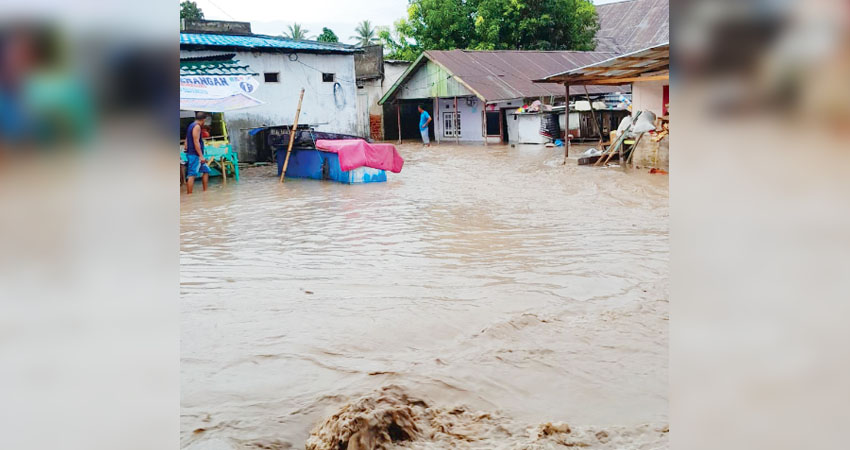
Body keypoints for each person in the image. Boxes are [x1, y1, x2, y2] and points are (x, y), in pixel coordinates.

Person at [185, 111, 210, 194]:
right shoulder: (197, 127)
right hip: (195, 154)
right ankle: (189, 195)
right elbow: (196, 142)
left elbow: (187, 137)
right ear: (203, 120)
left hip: (195, 153)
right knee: (192, 175)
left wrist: (186, 145)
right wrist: (201, 156)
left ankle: (205, 192)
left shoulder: (191, 125)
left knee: (206, 171)